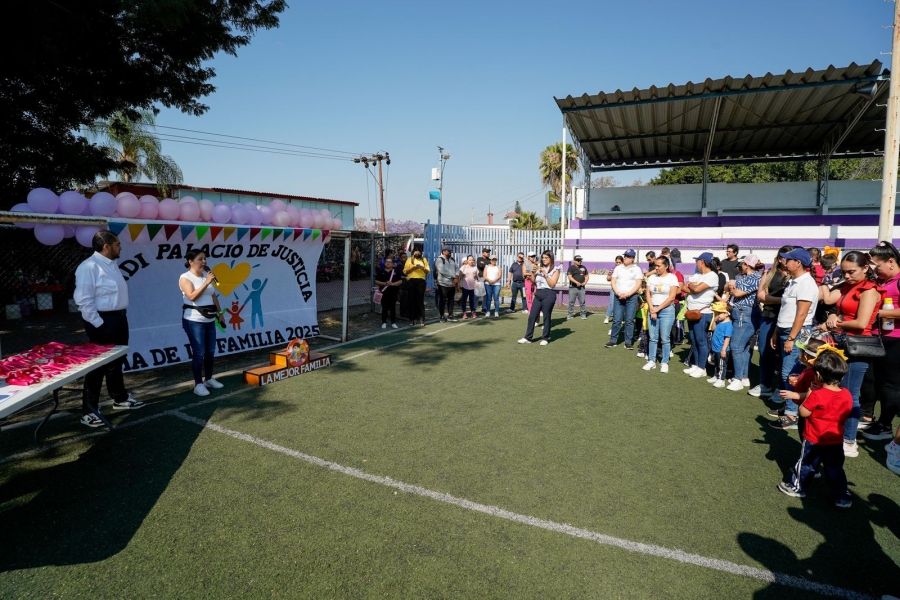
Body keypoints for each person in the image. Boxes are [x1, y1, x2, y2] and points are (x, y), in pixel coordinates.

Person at [73, 230, 144, 427]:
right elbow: (84, 301)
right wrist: (99, 324)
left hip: (118, 319)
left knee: (117, 361)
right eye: (117, 244)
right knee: (97, 366)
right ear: (106, 246)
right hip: (102, 321)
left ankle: (119, 398)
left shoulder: (111, 265)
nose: (120, 247)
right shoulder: (89, 267)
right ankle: (89, 410)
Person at [820, 250, 883, 456]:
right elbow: (830, 301)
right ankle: (840, 434)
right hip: (841, 342)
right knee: (839, 391)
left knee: (849, 394)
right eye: (844, 271)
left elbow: (861, 323)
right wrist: (832, 316)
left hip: (857, 345)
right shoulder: (849, 286)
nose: (846, 275)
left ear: (866, 268)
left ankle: (849, 439)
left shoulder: (869, 290)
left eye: (851, 271)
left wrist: (835, 322)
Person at [776, 348, 853, 509]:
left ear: (817, 376)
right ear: (843, 376)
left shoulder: (817, 394)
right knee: (835, 468)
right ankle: (842, 496)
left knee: (806, 464)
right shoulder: (846, 394)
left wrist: (810, 394)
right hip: (835, 440)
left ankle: (798, 488)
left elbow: (803, 412)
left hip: (814, 439)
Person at [769, 247, 820, 431]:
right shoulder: (794, 282)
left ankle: (792, 413)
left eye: (788, 259)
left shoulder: (806, 283)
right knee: (788, 371)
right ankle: (789, 407)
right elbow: (786, 310)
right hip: (786, 330)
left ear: (798, 262)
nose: (785, 262)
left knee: (790, 373)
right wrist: (776, 331)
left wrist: (791, 338)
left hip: (797, 332)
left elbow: (801, 314)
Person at [862, 241, 900, 441]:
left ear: (891, 262)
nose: (875, 270)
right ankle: (869, 415)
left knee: (890, 385)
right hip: (877, 337)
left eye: (877, 265)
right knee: (872, 379)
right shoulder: (882, 281)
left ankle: (885, 424)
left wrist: (878, 312)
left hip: (895, 340)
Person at [179, 249, 225, 397]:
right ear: (190, 261)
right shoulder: (185, 277)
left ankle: (209, 378)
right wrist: (206, 282)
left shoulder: (206, 276)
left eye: (205, 259)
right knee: (199, 353)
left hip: (210, 319)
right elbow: (192, 296)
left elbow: (213, 295)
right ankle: (198, 384)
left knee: (210, 351)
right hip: (194, 320)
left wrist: (221, 313)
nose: (204, 262)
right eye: (200, 259)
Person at [750, 245, 792, 399]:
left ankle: (781, 389)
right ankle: (765, 384)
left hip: (789, 318)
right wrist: (784, 300)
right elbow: (761, 296)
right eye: (783, 256)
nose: (785, 259)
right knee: (765, 350)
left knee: (785, 355)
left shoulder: (796, 276)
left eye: (789, 256)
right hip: (769, 316)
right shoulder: (769, 273)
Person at [724, 254, 764, 391]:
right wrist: (730, 286)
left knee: (736, 346)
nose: (741, 265)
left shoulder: (756, 277)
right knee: (745, 347)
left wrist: (731, 287)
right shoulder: (743, 276)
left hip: (746, 313)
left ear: (747, 265)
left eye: (743, 263)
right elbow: (729, 288)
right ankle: (744, 376)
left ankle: (738, 378)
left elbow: (738, 293)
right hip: (739, 312)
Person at [681, 252, 719, 378]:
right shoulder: (698, 275)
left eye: (697, 260)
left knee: (701, 340)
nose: (696, 263)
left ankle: (702, 367)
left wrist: (692, 285)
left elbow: (695, 289)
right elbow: (683, 288)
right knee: (693, 339)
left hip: (702, 313)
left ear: (702, 261)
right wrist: (693, 286)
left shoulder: (712, 276)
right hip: (692, 311)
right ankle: (696, 365)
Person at [642, 256, 679, 373]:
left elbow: (672, 297)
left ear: (666, 266)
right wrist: (652, 309)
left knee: (665, 338)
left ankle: (664, 362)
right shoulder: (652, 278)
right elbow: (648, 294)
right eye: (655, 265)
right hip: (653, 309)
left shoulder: (672, 278)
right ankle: (652, 360)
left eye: (659, 266)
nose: (656, 268)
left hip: (667, 311)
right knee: (652, 337)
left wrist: (657, 309)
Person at [518, 251, 560, 346]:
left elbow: (552, 284)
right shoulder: (539, 268)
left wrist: (545, 274)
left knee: (546, 316)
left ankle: (545, 337)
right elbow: (533, 281)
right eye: (543, 257)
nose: (544, 259)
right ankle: (528, 337)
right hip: (539, 293)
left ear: (551, 259)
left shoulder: (555, 270)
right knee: (532, 315)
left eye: (546, 258)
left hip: (549, 293)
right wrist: (533, 273)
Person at [606, 249, 643, 349]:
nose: (625, 257)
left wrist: (628, 294)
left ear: (633, 258)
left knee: (629, 320)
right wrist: (618, 292)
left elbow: (638, 283)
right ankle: (613, 340)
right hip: (618, 296)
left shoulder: (637, 269)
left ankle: (628, 342)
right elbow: (613, 281)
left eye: (628, 256)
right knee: (617, 319)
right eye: (625, 256)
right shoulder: (618, 268)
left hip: (631, 297)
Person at [707, 302, 733, 388]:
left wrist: (724, 349)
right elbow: (713, 329)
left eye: (720, 313)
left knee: (722, 365)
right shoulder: (719, 322)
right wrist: (714, 321)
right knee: (716, 364)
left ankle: (721, 380)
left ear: (726, 314)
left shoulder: (728, 325)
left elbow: (727, 338)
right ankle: (716, 375)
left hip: (722, 349)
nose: (718, 315)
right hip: (715, 348)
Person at [403, 248, 429, 327]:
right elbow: (405, 271)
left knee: (420, 300)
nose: (417, 253)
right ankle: (412, 319)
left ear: (421, 253)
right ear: (413, 253)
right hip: (411, 281)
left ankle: (421, 318)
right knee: (411, 300)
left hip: (421, 281)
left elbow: (427, 271)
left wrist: (423, 268)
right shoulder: (409, 260)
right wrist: (412, 268)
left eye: (419, 252)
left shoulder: (424, 260)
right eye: (415, 252)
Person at [433, 246, 459, 323]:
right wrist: (453, 276)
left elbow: (457, 268)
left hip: (452, 283)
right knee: (442, 300)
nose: (450, 252)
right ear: (443, 251)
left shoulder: (453, 260)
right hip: (443, 283)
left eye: (450, 251)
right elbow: (442, 271)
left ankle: (450, 315)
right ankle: (441, 316)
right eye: (448, 251)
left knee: (451, 300)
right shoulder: (439, 260)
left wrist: (456, 276)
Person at [375, 258, 402, 329]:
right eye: (387, 262)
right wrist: (384, 283)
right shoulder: (381, 272)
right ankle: (384, 322)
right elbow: (377, 281)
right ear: (384, 263)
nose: (388, 263)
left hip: (393, 293)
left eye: (390, 262)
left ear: (392, 264)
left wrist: (393, 284)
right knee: (384, 308)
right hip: (384, 293)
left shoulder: (396, 272)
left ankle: (393, 322)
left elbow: (400, 281)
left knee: (393, 308)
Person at [567, 254, 589, 320]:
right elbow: (569, 277)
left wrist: (585, 282)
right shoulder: (571, 268)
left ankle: (583, 314)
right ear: (574, 261)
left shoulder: (583, 267)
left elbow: (587, 276)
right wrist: (576, 282)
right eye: (578, 260)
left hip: (581, 288)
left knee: (582, 302)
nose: (580, 261)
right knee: (571, 302)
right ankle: (570, 314)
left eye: (580, 260)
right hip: (573, 287)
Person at [605, 255, 624, 324]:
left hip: (622, 289)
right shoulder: (613, 269)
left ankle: (621, 318)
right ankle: (607, 317)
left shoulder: (624, 270)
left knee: (621, 304)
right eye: (617, 262)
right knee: (612, 304)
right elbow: (608, 278)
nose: (618, 264)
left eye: (620, 262)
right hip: (614, 289)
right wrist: (614, 277)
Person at [476, 248, 491, 313]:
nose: (488, 253)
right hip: (480, 278)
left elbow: (490, 267)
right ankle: (474, 308)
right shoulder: (479, 259)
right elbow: (480, 265)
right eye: (486, 252)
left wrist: (484, 264)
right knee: (478, 293)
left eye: (488, 252)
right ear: (483, 253)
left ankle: (484, 307)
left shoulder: (490, 260)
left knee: (486, 294)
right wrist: (486, 265)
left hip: (487, 278)